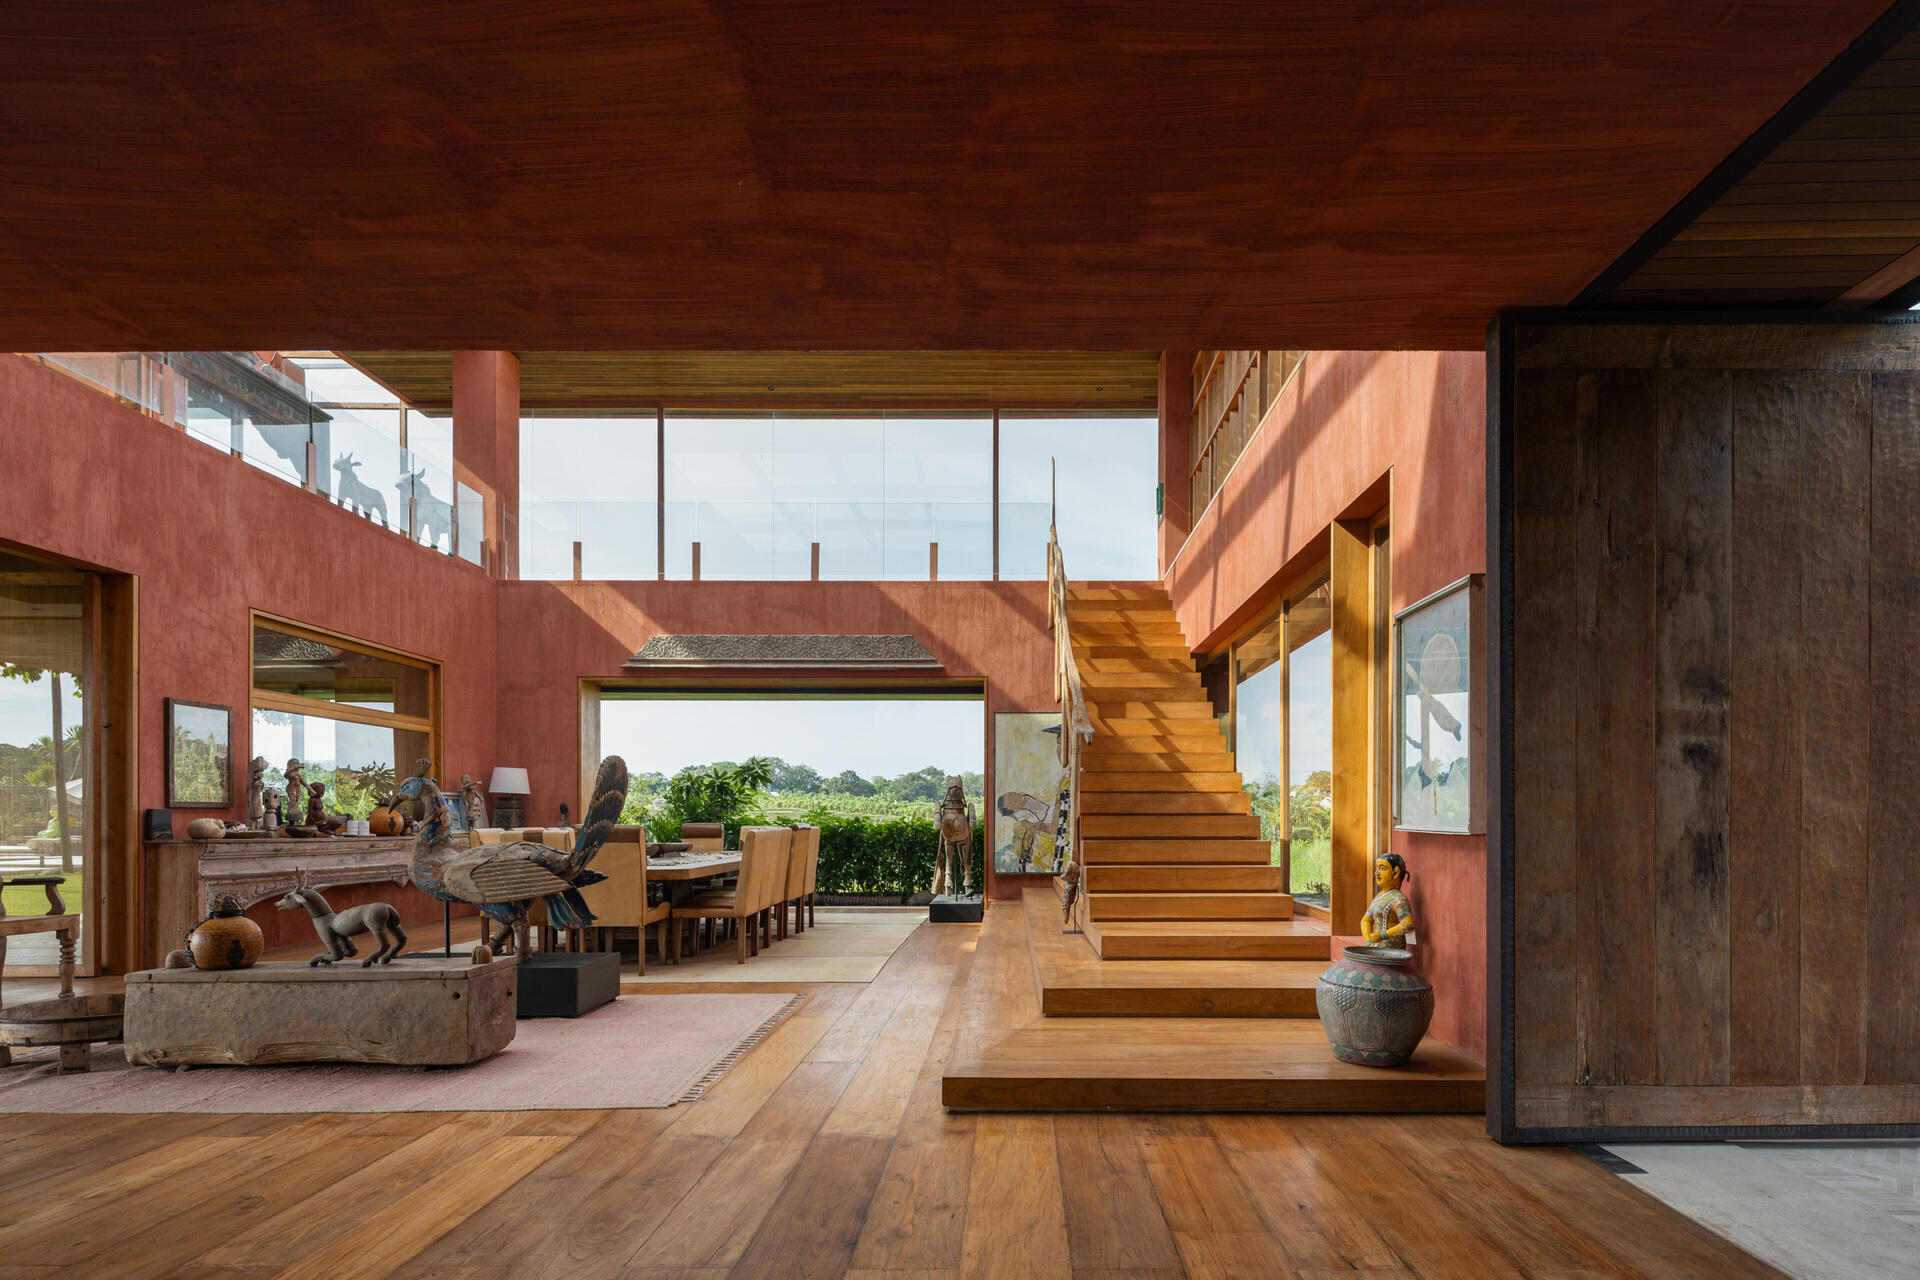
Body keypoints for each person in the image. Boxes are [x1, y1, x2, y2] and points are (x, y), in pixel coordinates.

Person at [1360, 852, 1416, 949]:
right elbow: (1366, 920)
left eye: (1382, 868)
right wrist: (1368, 941)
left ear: (1395, 873)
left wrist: (1382, 936)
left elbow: (1408, 924)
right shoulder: (1380, 896)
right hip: (1376, 947)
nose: (1377, 873)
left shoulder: (1399, 899)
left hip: (1392, 950)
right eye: (1377, 869)